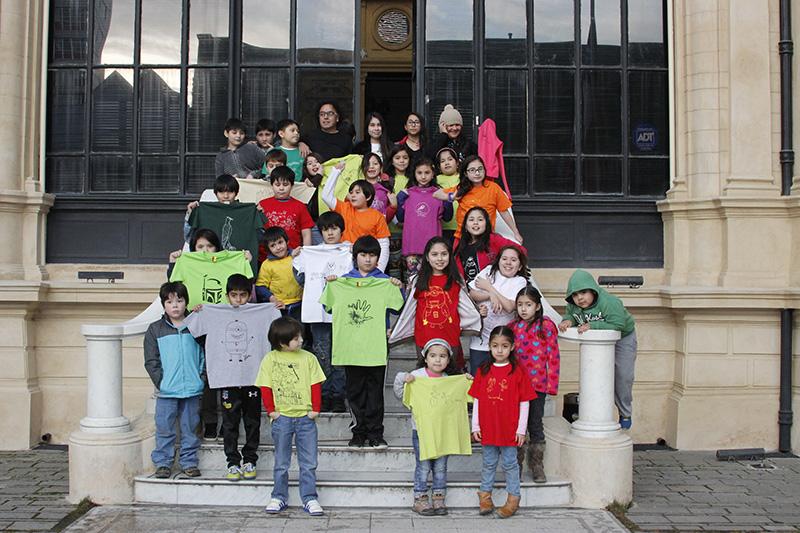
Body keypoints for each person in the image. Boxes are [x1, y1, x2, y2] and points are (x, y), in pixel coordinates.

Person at [183, 274, 282, 482]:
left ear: (249, 295)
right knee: (229, 421)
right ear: (227, 295)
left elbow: (277, 329)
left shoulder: (261, 312)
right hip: (227, 378)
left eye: (243, 295)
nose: (238, 299)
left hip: (253, 377)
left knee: (252, 420)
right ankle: (232, 461)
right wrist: (199, 313)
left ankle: (250, 458)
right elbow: (193, 329)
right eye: (234, 295)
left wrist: (275, 308)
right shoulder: (213, 312)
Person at [319, 236, 404, 450]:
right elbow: (327, 307)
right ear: (355, 257)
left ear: (378, 257)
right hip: (350, 348)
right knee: (354, 391)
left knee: (375, 392)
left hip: (375, 347)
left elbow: (398, 308)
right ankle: (358, 432)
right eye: (363, 255)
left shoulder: (384, 282)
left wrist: (398, 286)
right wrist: (328, 285)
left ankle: (376, 433)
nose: (367, 259)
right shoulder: (341, 281)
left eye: (372, 255)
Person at [255, 316, 326, 516]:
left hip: (305, 417)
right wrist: (271, 411)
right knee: (281, 462)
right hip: (282, 418)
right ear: (281, 342)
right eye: (296, 338)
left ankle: (310, 498)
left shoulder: (308, 358)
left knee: (309, 461)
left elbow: (315, 384)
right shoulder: (270, 359)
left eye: (300, 336)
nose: (301, 340)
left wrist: (315, 409)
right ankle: (278, 496)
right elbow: (265, 386)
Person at [393, 339, 472, 516]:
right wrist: (403, 379)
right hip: (421, 432)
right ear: (425, 358)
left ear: (449, 360)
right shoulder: (418, 376)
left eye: (443, 356)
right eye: (433, 355)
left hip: (444, 432)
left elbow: (471, 394)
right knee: (423, 466)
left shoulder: (451, 380)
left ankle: (438, 498)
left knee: (441, 467)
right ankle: (420, 498)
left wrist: (467, 381)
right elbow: (400, 393)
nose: (438, 360)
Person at [469, 325, 537, 519]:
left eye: (504, 346)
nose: (499, 350)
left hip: (509, 429)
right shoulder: (483, 369)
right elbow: (478, 399)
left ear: (512, 347)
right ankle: (485, 497)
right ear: (489, 347)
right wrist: (476, 426)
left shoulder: (518, 371)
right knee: (488, 463)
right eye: (495, 345)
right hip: (489, 427)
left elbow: (525, 402)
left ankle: (513, 499)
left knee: (510, 464)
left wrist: (521, 430)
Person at [558, 269, 637, 429]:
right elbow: (572, 316)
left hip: (623, 337)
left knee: (623, 375)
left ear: (593, 290)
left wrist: (593, 326)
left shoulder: (610, 302)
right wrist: (568, 321)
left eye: (584, 292)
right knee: (598, 375)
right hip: (598, 344)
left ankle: (625, 412)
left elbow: (618, 325)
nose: (579, 298)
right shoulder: (574, 305)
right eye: (575, 294)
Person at [389, 237, 481, 371]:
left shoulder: (456, 280)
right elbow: (408, 309)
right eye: (434, 254)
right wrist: (397, 328)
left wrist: (478, 313)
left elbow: (466, 306)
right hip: (424, 337)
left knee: (451, 379)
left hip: (450, 337)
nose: (440, 259)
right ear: (426, 257)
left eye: (444, 254)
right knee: (427, 378)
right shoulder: (417, 280)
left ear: (450, 256)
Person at [292, 212, 352, 411]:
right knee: (322, 355)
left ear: (341, 230)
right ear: (320, 232)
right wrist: (297, 258)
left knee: (340, 355)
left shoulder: (349, 251)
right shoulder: (310, 252)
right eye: (326, 229)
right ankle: (324, 394)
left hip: (343, 313)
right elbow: (300, 278)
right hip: (317, 313)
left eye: (334, 228)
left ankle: (338, 395)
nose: (330, 233)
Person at [144, 281, 205, 479]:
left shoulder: (195, 327)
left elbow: (205, 355)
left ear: (186, 302)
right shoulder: (155, 329)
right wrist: (161, 382)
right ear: (163, 305)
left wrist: (201, 378)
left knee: (190, 428)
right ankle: (163, 463)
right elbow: (151, 360)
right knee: (165, 428)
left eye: (179, 300)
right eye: (170, 302)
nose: (175, 305)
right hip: (167, 391)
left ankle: (189, 462)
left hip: (192, 389)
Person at [508, 285, 560, 483]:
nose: (523, 309)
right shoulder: (513, 328)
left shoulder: (546, 326)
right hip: (516, 387)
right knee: (517, 426)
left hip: (538, 386)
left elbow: (553, 357)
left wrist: (552, 385)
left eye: (528, 305)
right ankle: (516, 464)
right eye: (520, 305)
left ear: (537, 306)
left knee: (535, 424)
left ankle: (537, 465)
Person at [467, 246, 529, 376]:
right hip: (480, 342)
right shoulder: (489, 271)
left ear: (520, 266)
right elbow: (472, 293)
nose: (508, 262)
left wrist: (490, 288)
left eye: (513, 260)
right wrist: (490, 296)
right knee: (477, 383)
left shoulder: (519, 281)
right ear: (498, 261)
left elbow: (510, 306)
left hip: (503, 344)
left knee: (500, 382)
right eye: (504, 258)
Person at [434, 155, 523, 243]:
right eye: (472, 170)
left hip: (485, 237)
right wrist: (452, 196)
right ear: (466, 173)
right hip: (463, 237)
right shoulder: (462, 188)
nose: (477, 173)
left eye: (480, 169)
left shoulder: (494, 188)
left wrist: (516, 232)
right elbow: (436, 194)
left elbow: (504, 212)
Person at [321, 162, 391, 271]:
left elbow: (384, 244)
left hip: (366, 262)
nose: (352, 195)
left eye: (357, 192)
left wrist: (379, 269)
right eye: (351, 192)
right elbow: (326, 196)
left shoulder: (377, 216)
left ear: (368, 197)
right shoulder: (344, 208)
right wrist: (335, 172)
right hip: (343, 261)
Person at [396, 158, 452, 280]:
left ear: (433, 174)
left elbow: (448, 218)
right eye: (419, 173)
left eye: (427, 173)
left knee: (433, 280)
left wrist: (447, 200)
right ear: (414, 174)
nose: (423, 176)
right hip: (412, 246)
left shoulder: (438, 193)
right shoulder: (408, 194)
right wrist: (399, 201)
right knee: (413, 282)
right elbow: (400, 218)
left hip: (433, 248)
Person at [453, 206, 526, 285]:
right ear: (466, 225)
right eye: (471, 219)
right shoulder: (460, 244)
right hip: (469, 291)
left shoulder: (493, 239)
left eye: (480, 220)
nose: (475, 223)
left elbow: (521, 250)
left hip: (493, 288)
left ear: (486, 224)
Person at [257, 166, 314, 250]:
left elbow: (306, 234)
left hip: (293, 255)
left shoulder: (300, 206)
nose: (281, 188)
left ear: (292, 185)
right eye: (277, 184)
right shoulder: (262, 204)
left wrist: (306, 253)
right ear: (271, 185)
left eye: (285, 184)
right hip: (267, 257)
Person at [255, 226, 303, 321]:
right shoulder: (267, 264)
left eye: (280, 242)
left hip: (300, 303)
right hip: (280, 306)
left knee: (300, 331)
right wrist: (272, 298)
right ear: (268, 249)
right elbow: (260, 286)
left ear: (287, 241)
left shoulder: (297, 257)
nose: (278, 247)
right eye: (273, 245)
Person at [359, 152, 396, 222]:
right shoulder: (358, 187)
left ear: (381, 168)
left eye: (375, 164)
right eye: (368, 164)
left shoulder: (386, 189)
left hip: (379, 230)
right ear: (363, 168)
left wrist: (393, 207)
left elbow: (386, 219)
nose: (371, 166)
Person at [434, 148, 461, 240]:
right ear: (439, 167)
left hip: (462, 226)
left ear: (457, 163)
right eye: (443, 161)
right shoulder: (436, 180)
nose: (447, 163)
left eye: (450, 159)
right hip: (442, 226)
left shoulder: (463, 178)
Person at [301, 152, 325, 224]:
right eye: (310, 163)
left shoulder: (329, 178)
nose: (314, 165)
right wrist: (319, 175)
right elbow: (312, 185)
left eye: (317, 162)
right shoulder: (304, 182)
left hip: (327, 219)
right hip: (312, 222)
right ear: (306, 168)